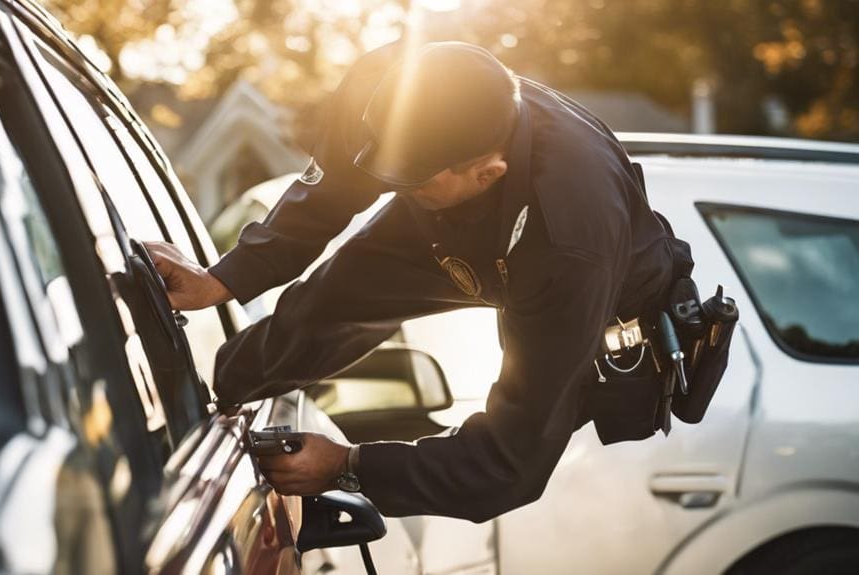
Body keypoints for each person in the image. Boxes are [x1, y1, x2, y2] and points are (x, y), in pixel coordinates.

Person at [147, 41, 692, 522]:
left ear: (485, 173)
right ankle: (210, 395)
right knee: (325, 302)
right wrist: (222, 279)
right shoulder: (389, 86)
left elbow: (510, 464)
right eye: (378, 161)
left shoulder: (570, 242)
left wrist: (349, 466)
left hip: (594, 297)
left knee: (525, 429)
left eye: (406, 178)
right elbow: (327, 193)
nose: (383, 185)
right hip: (459, 215)